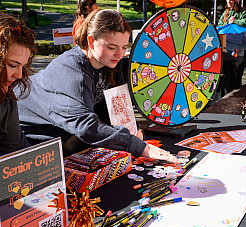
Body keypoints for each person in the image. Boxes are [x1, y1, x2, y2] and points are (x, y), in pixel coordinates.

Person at [17, 9, 178, 163]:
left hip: (62, 138)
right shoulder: (71, 70)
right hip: (28, 142)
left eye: (124, 47)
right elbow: (85, 126)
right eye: (112, 47)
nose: (119, 54)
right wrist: (138, 146)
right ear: (91, 41)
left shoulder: (109, 63)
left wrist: (131, 132)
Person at [0, 12, 36, 156]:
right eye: (13, 65)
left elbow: (17, 152)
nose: (19, 75)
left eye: (22, 67)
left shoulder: (6, 99)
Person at [217, 0, 246, 90]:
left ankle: (237, 86)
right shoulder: (225, 12)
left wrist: (235, 21)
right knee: (228, 67)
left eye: (231, 0)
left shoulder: (242, 12)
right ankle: (229, 87)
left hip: (238, 45)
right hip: (227, 45)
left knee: (238, 65)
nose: (229, 1)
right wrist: (227, 24)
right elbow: (220, 25)